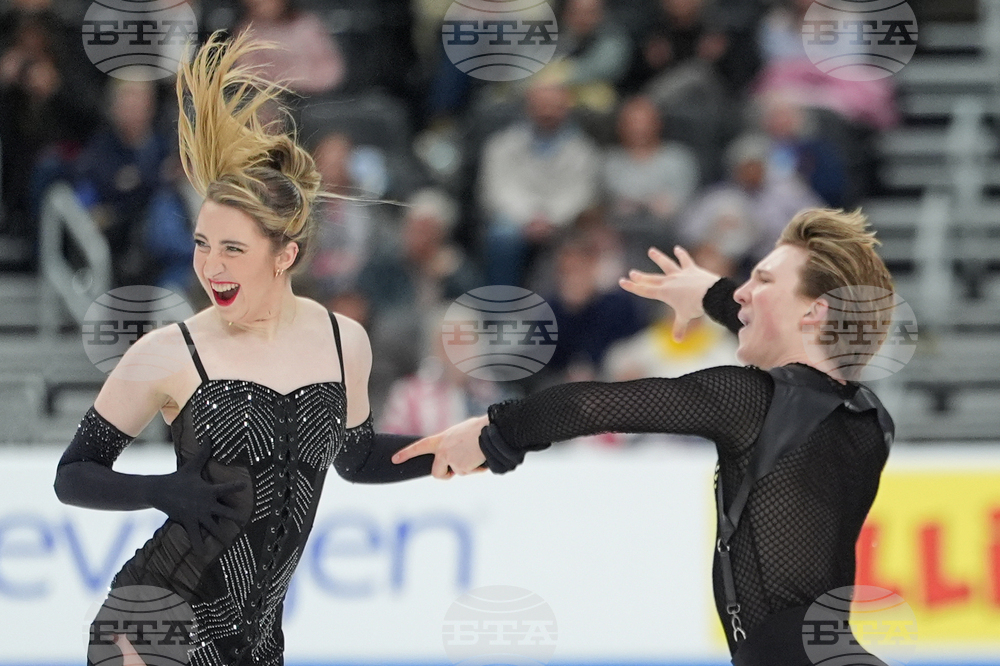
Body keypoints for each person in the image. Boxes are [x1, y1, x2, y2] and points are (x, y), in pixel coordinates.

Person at [52, 31, 433, 666]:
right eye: (203, 244)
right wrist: (161, 490)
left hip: (257, 640)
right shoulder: (169, 351)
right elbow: (73, 475)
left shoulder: (343, 342)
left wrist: (447, 448)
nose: (211, 267)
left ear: (285, 254)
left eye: (233, 249)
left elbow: (358, 457)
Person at [394, 208, 895, 665]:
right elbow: (801, 351)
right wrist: (709, 295)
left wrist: (490, 433)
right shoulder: (870, 419)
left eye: (761, 280)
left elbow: (585, 405)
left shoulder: (751, 398)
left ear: (816, 313)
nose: (742, 290)